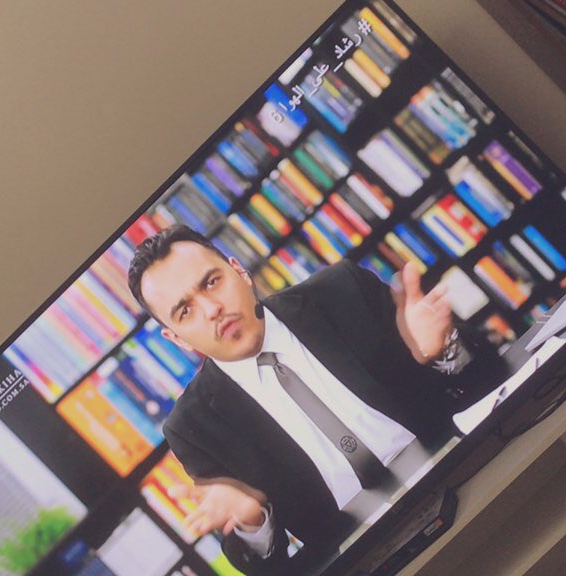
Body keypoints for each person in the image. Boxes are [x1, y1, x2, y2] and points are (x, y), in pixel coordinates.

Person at [127, 225, 497, 575]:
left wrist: (443, 352)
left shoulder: (341, 290)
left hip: (469, 470)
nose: (212, 309)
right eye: (186, 311)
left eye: (212, 282)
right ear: (177, 338)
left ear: (239, 271)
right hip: (370, 558)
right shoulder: (192, 427)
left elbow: (489, 375)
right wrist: (252, 524)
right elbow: (270, 570)